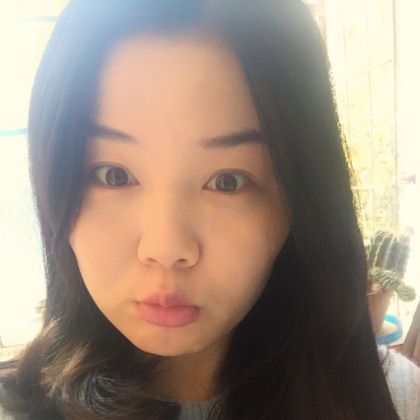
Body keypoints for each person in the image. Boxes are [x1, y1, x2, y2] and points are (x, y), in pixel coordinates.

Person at [0, 0, 419, 419]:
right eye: (113, 175)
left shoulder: (395, 401)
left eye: (227, 181)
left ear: (302, 199)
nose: (166, 248)